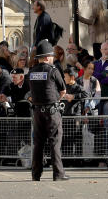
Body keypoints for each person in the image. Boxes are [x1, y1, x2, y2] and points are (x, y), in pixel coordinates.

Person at [28, 39, 68, 182]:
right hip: (52, 112)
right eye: (51, 56)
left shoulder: (31, 72)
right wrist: (56, 99)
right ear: (46, 57)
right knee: (55, 143)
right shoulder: (53, 70)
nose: (52, 58)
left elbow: (31, 94)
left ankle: (35, 174)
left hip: (37, 112)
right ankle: (58, 174)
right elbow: (63, 90)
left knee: (38, 144)